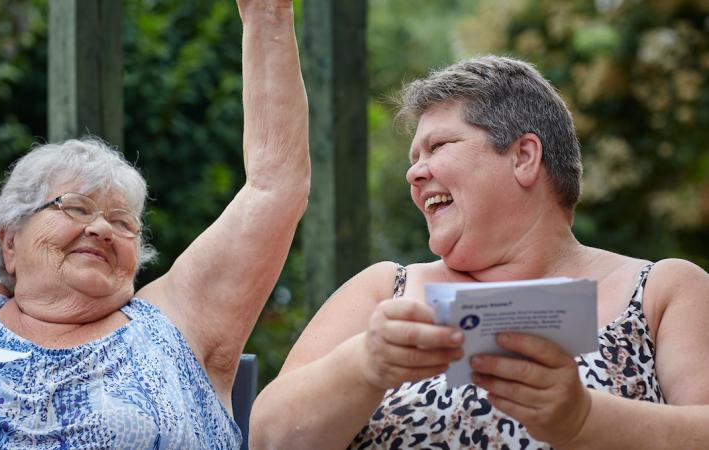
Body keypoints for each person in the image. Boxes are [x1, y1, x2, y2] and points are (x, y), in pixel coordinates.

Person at [250, 55, 709, 449]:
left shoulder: (662, 290)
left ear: (525, 157)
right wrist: (365, 365)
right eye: (413, 158)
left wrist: (583, 419)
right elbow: (267, 438)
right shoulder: (385, 289)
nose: (414, 174)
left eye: (438, 146)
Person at [0, 0, 307, 448]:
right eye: (74, 208)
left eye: (122, 222)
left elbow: (275, 186)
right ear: (10, 239)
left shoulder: (180, 326)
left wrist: (267, 12)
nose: (101, 229)